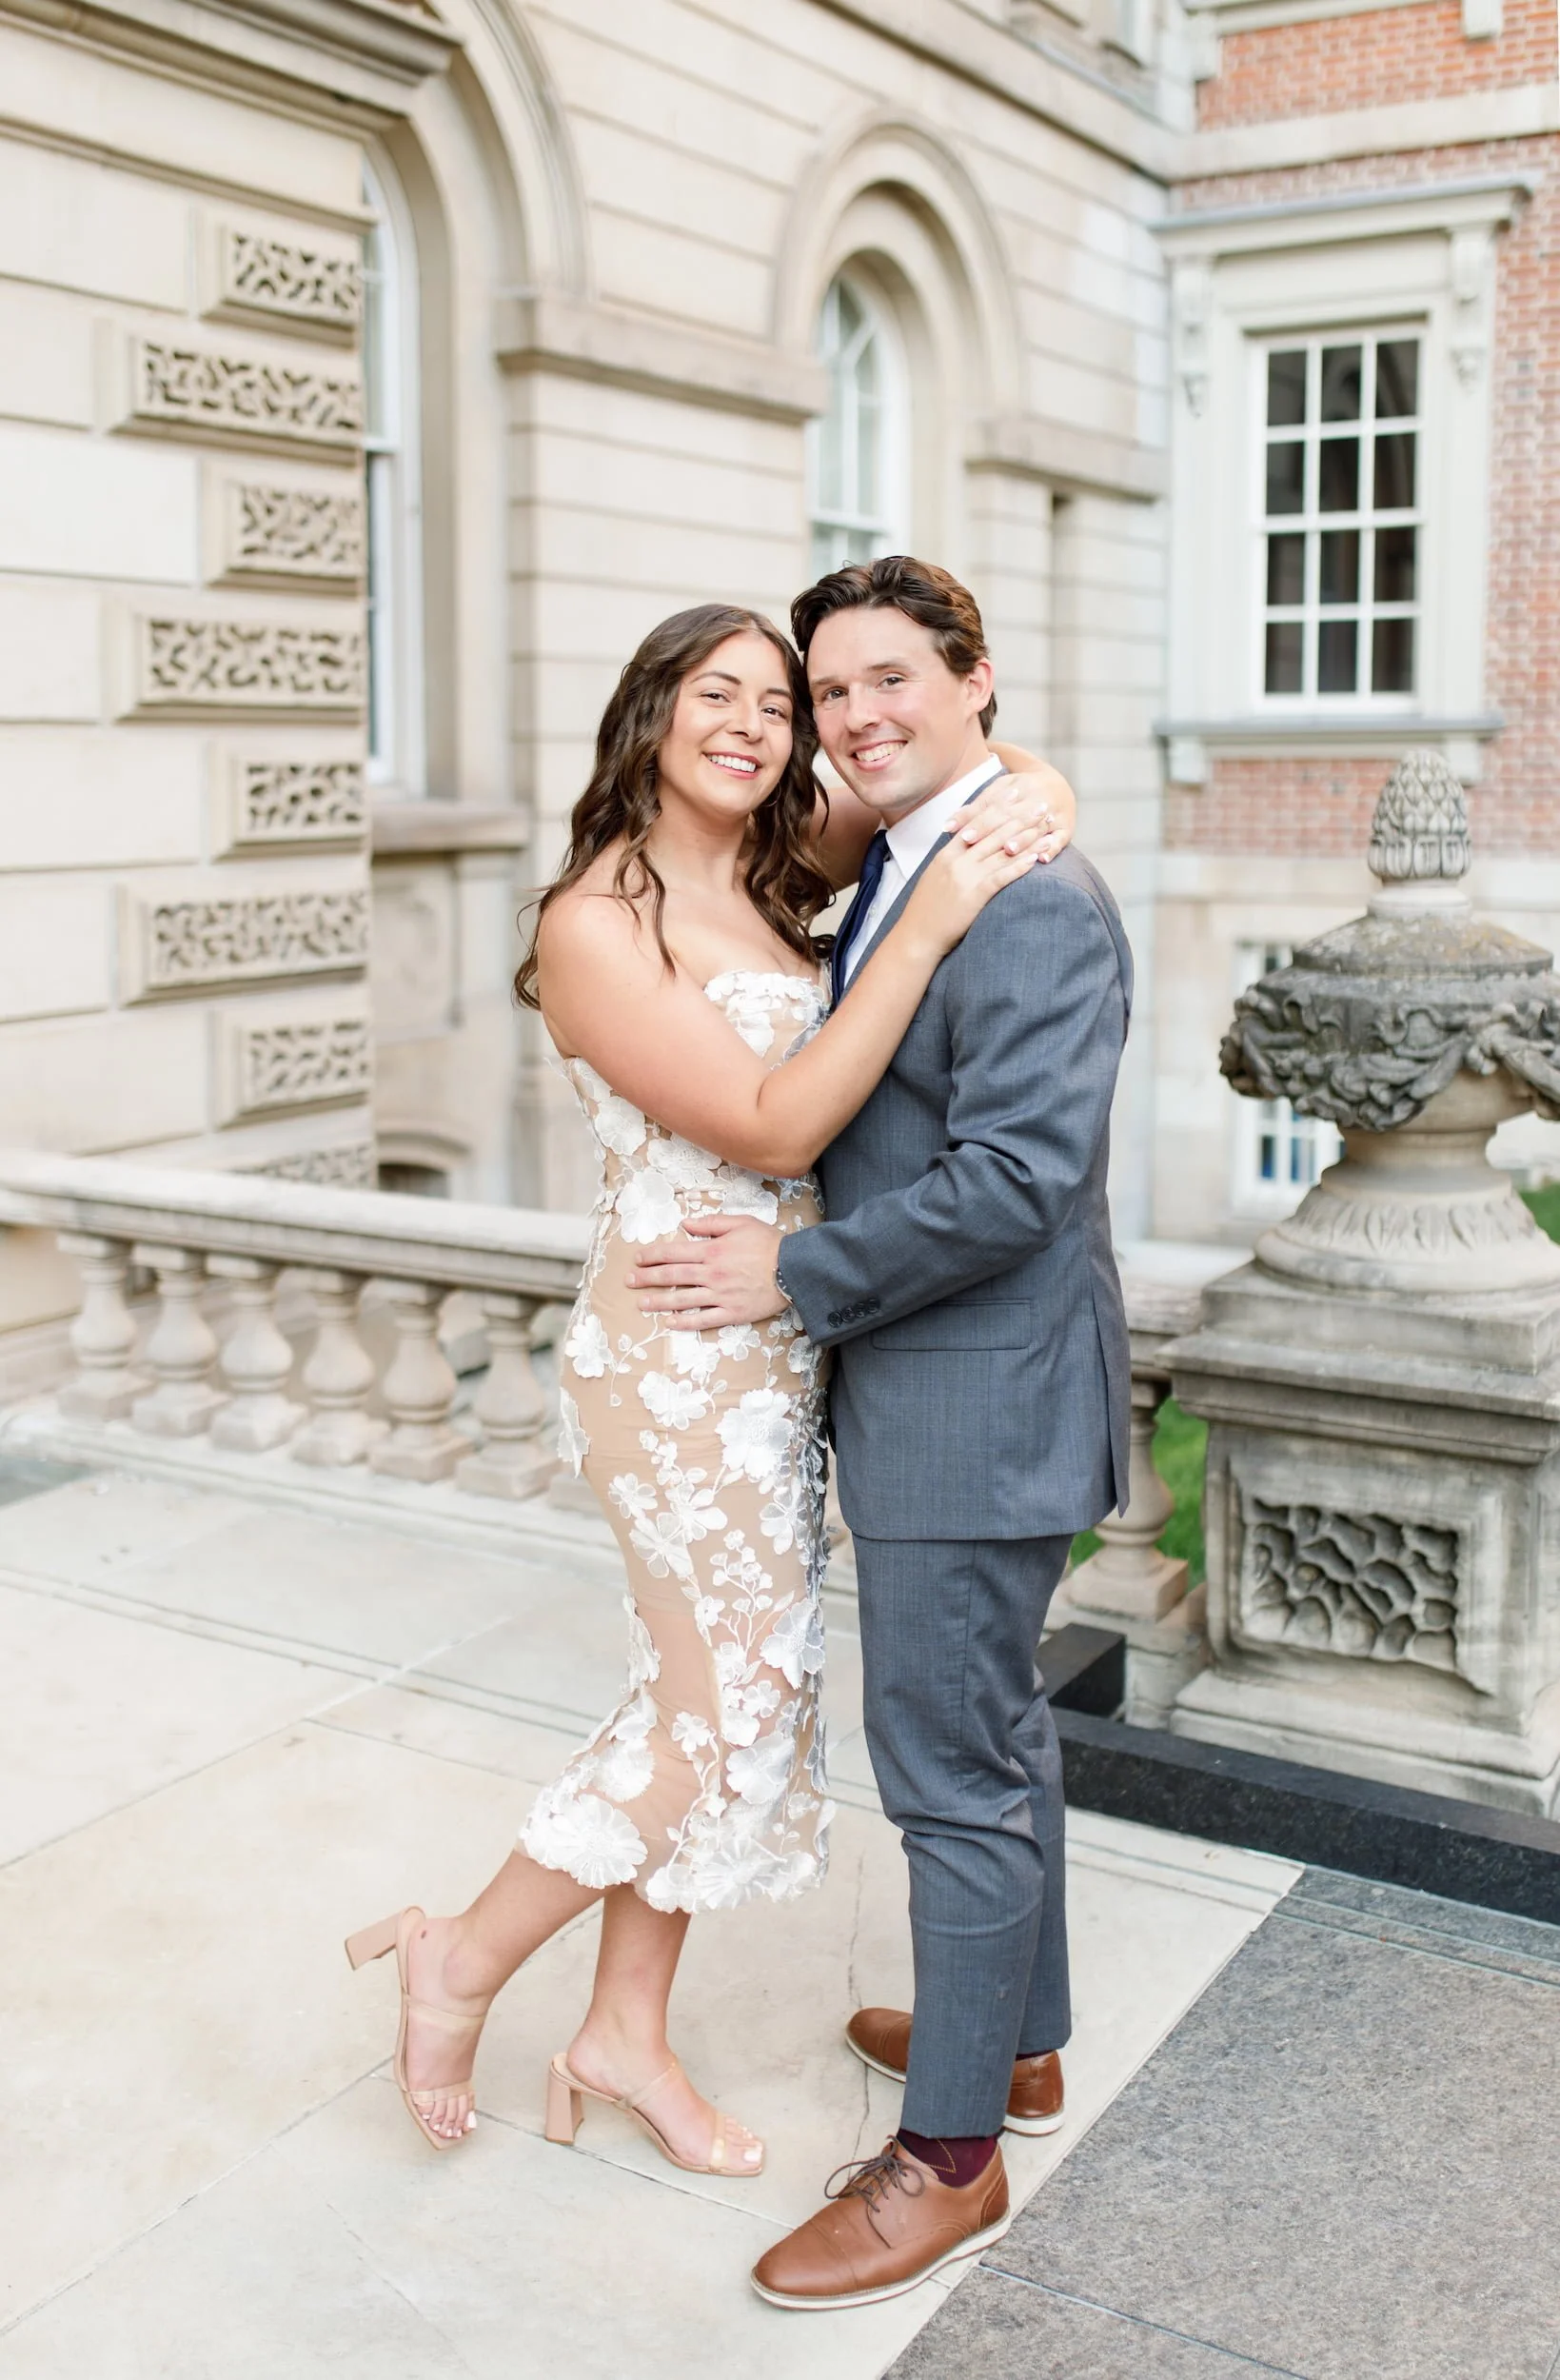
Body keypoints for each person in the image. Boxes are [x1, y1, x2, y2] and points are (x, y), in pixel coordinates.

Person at [346, 598, 1077, 2176]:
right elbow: (770, 1129)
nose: (755, 723)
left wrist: (1042, 800)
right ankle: (462, 1955)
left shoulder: (772, 859)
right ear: (649, 715)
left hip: (779, 1346)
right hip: (673, 1359)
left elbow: (964, 758)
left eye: (778, 703)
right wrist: (937, 920)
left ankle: (621, 2033)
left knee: (713, 1702)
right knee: (713, 1720)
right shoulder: (593, 918)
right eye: (717, 694)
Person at [628, 557, 1133, 2307]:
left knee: (950, 1771)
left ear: (974, 679)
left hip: (972, 1404)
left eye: (888, 682)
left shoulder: (1032, 896)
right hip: (951, 1393)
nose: (852, 718)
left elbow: (1014, 1184)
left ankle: (944, 2162)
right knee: (992, 1738)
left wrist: (793, 1272)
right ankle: (1014, 2043)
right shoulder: (923, 851)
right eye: (832, 692)